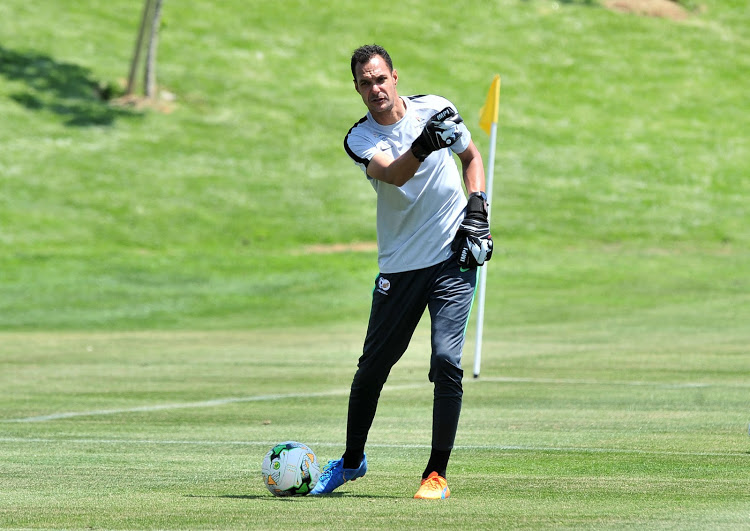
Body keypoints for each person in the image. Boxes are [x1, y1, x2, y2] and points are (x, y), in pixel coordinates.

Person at [310, 44, 493, 499]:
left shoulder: (437, 108)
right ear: (356, 88)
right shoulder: (360, 138)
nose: (374, 88)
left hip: (452, 257)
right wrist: (426, 143)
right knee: (372, 368)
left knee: (446, 361)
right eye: (364, 83)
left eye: (380, 78)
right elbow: (394, 176)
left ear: (395, 76)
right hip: (401, 265)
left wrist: (478, 207)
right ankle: (351, 462)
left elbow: (471, 158)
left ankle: (436, 474)